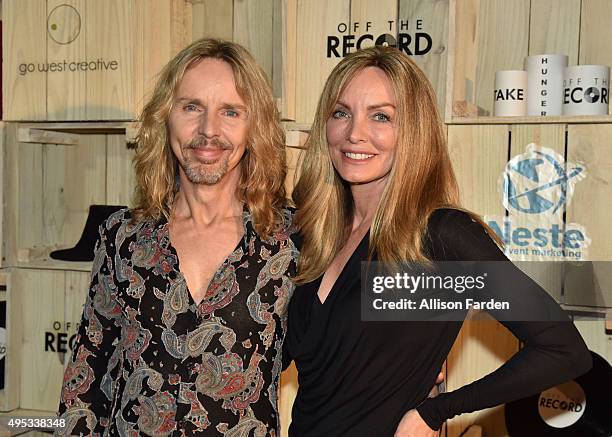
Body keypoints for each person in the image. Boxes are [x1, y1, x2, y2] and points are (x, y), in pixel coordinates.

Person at [284, 46, 592, 437]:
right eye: (341, 113)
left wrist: (437, 411)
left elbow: (563, 350)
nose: (354, 133)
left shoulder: (439, 237)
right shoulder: (312, 232)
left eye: (381, 116)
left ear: (413, 131)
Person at [57, 39, 298, 436]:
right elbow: (87, 377)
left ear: (255, 126)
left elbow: (340, 363)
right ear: (164, 118)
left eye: (230, 112)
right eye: (191, 108)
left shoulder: (290, 243)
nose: (208, 130)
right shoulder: (123, 237)